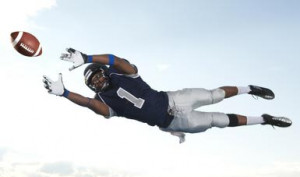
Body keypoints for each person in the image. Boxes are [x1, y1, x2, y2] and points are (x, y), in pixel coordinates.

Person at [43, 48, 292, 143]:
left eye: (97, 74)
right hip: (174, 122)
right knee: (220, 120)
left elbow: (116, 60)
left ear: (104, 73)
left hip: (175, 99)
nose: (97, 80)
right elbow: (88, 104)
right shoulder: (106, 103)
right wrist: (64, 93)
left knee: (215, 94)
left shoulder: (123, 74)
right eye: (92, 81)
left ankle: (250, 89)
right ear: (93, 87)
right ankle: (265, 119)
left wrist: (86, 58)